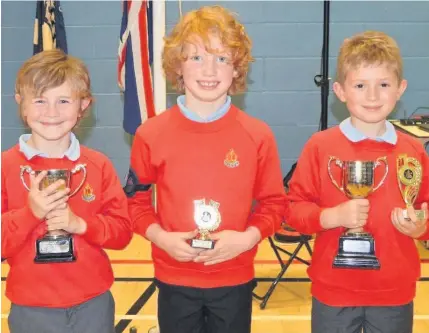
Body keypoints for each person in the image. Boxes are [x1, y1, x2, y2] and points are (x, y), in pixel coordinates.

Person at [126, 5, 284, 333]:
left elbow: (274, 205)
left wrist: (247, 238)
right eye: (196, 57)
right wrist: (161, 238)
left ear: (237, 69)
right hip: (174, 276)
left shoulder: (257, 134)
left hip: (234, 276)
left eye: (222, 58)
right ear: (177, 66)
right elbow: (134, 203)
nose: (209, 69)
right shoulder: (151, 134)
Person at [285, 30, 429, 333]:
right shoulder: (320, 146)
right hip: (333, 291)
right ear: (340, 90)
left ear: (400, 88)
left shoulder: (413, 149)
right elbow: (293, 211)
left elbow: (425, 208)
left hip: (393, 292)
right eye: (361, 85)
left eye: (384, 84)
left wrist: (420, 227)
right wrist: (331, 216)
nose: (373, 96)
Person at [1, 49, 133, 333]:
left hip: (92, 304)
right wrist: (30, 214)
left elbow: (122, 232)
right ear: (21, 104)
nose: (51, 112)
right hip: (30, 307)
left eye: (63, 100)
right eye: (39, 100)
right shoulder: (5, 166)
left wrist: (82, 225)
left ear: (83, 105)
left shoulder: (98, 166)